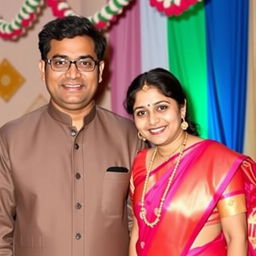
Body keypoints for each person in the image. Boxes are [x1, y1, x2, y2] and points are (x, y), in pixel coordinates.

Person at [0, 16, 145, 256]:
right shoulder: (10, 139)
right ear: (42, 69)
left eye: (85, 63)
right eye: (60, 62)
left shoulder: (131, 137)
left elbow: (141, 226)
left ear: (99, 71)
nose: (73, 74)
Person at [124, 67, 256, 256]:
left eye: (162, 107)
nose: (152, 120)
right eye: (141, 112)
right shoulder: (140, 162)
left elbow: (236, 238)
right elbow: (138, 234)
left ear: (182, 108)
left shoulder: (219, 161)